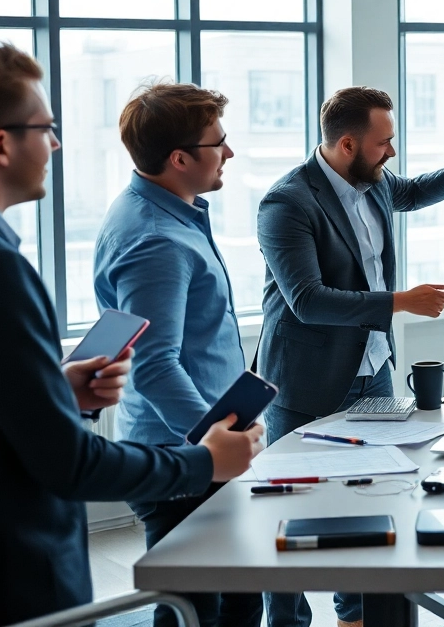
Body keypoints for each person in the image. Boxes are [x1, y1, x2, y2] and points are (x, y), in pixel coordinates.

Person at [0, 38, 263, 627]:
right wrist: (204, 459)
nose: (56, 144)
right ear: (1, 144)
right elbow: (69, 463)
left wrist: (53, 390)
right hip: (4, 571)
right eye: (45, 127)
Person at [256, 85, 444, 627]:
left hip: (373, 374)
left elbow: (408, 192)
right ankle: (288, 622)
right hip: (307, 380)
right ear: (347, 143)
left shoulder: (374, 180)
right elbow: (307, 299)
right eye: (384, 142)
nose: (392, 152)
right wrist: (399, 302)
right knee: (292, 512)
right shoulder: (287, 202)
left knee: (371, 500)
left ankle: (356, 615)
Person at [92, 83, 263, 627]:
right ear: (180, 158)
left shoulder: (156, 209)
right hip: (185, 456)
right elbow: (156, 363)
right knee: (194, 612)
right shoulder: (157, 240)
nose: (229, 154)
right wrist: (215, 445)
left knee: (233, 598)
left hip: (197, 449)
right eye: (220, 143)